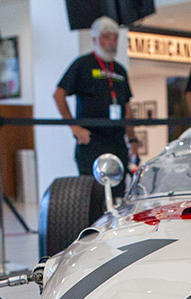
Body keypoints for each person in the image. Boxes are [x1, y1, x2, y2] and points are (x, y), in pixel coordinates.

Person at [53, 16, 139, 197]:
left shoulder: (120, 70)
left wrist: (132, 139)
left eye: (114, 38)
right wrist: (75, 128)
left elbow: (126, 106)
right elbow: (59, 95)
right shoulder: (82, 65)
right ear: (95, 39)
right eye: (106, 38)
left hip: (117, 141)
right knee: (92, 194)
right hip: (92, 140)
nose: (111, 43)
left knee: (118, 193)